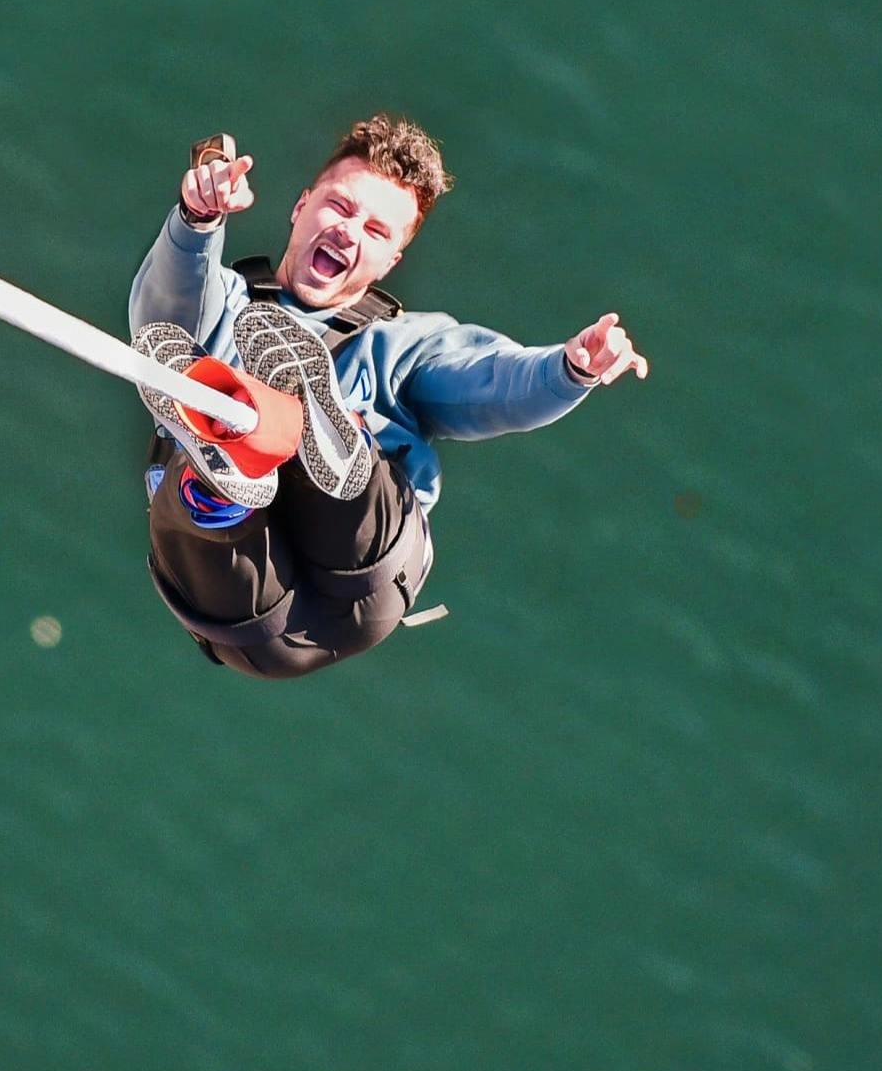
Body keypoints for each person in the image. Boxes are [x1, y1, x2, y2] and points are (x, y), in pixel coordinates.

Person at [129, 113, 646, 679]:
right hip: (246, 618)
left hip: (360, 582)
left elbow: (488, 381)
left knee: (311, 445)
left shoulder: (405, 345)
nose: (349, 233)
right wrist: (197, 220)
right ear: (301, 206)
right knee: (189, 406)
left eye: (376, 232)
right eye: (340, 207)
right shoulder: (223, 301)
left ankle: (317, 437)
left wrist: (568, 368)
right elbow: (163, 322)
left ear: (391, 261)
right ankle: (227, 475)